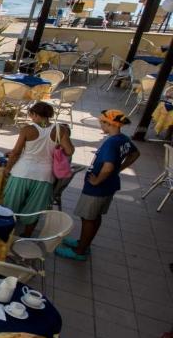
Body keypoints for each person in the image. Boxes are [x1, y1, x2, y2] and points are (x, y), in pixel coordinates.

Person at [57, 109, 139, 260]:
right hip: (110, 185)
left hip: (98, 188)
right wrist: (119, 168)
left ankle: (80, 251)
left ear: (107, 123)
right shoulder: (123, 139)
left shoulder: (111, 143)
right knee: (95, 217)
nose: (100, 125)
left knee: (88, 218)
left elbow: (107, 167)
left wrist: (97, 180)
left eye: (101, 122)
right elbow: (135, 153)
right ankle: (84, 243)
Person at [2, 101, 74, 237]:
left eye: (32, 115)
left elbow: (16, 152)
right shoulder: (60, 130)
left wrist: (7, 168)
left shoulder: (27, 129)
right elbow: (69, 151)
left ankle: (5, 232)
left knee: (11, 205)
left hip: (22, 172)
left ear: (35, 114)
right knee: (35, 208)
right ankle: (27, 235)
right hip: (45, 176)